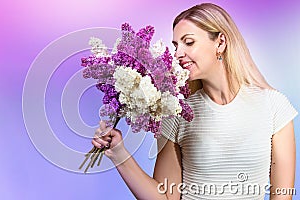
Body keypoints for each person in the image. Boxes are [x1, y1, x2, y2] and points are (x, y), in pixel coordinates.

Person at [91, 3, 298, 200]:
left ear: (220, 42)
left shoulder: (274, 107)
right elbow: (165, 197)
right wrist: (119, 154)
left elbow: (281, 194)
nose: (178, 54)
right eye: (175, 46)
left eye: (188, 42)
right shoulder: (178, 112)